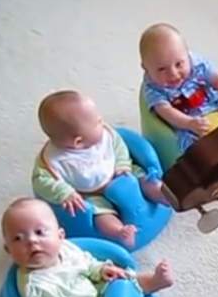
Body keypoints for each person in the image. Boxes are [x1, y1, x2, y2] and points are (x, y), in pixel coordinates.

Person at [33, 90, 167, 248]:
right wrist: (65, 192)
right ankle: (120, 232)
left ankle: (165, 195)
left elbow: (119, 146)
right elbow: (40, 181)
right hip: (91, 194)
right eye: (97, 122)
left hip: (123, 174)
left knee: (146, 179)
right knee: (101, 216)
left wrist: (122, 165)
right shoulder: (53, 160)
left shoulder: (105, 135)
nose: (102, 124)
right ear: (78, 142)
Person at [2, 197, 174, 297]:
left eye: (39, 232)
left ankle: (152, 282)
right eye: (18, 238)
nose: (32, 241)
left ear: (60, 236)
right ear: (8, 251)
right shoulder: (35, 286)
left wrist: (101, 269)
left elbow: (86, 262)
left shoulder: (67, 249)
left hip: (95, 288)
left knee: (125, 276)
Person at [140, 22, 218, 151]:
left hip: (216, 106)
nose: (173, 74)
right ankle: (217, 166)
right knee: (192, 147)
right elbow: (166, 111)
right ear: (146, 69)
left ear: (187, 55)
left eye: (179, 64)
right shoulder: (153, 88)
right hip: (189, 122)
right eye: (161, 69)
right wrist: (189, 123)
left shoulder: (198, 65)